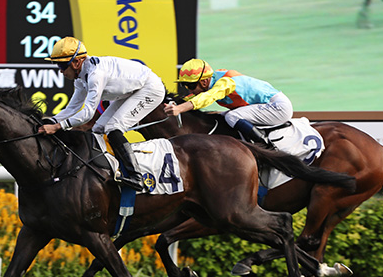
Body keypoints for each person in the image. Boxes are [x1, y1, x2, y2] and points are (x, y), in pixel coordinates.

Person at [39, 36, 166, 191]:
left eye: (62, 65)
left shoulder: (95, 75)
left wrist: (58, 126)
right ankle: (109, 169)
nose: (60, 71)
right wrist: (51, 121)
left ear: (76, 62)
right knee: (98, 129)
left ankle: (136, 176)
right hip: (131, 91)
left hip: (150, 88)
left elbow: (87, 113)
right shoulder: (80, 79)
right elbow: (72, 108)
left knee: (113, 127)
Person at [164, 58, 293, 149]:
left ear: (204, 82)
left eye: (191, 85)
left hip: (278, 107)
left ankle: (266, 146)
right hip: (266, 106)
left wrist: (179, 109)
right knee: (221, 117)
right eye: (185, 85)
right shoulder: (211, 82)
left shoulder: (226, 82)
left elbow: (207, 97)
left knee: (232, 116)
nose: (189, 90)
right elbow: (193, 97)